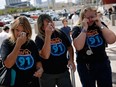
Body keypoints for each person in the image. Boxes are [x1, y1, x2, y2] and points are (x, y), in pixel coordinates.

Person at [72, 6, 116, 87]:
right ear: (82, 17)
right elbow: (78, 46)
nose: (90, 19)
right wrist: (85, 28)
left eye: (92, 17)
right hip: (86, 65)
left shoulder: (100, 25)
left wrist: (100, 25)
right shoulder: (77, 29)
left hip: (102, 63)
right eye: (87, 17)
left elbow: (112, 40)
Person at [1, 16, 43, 87]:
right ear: (13, 30)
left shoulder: (31, 43)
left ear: (27, 32)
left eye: (23, 31)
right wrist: (18, 45)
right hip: (15, 83)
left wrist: (40, 69)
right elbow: (8, 64)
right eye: (17, 30)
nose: (20, 33)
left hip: (33, 82)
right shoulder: (7, 43)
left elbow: (38, 61)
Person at [35, 14, 76, 87]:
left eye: (51, 22)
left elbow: (69, 46)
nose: (50, 25)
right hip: (47, 74)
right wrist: (48, 36)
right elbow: (45, 55)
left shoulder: (60, 33)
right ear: (41, 27)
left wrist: (71, 60)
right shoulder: (39, 38)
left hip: (63, 71)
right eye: (47, 24)